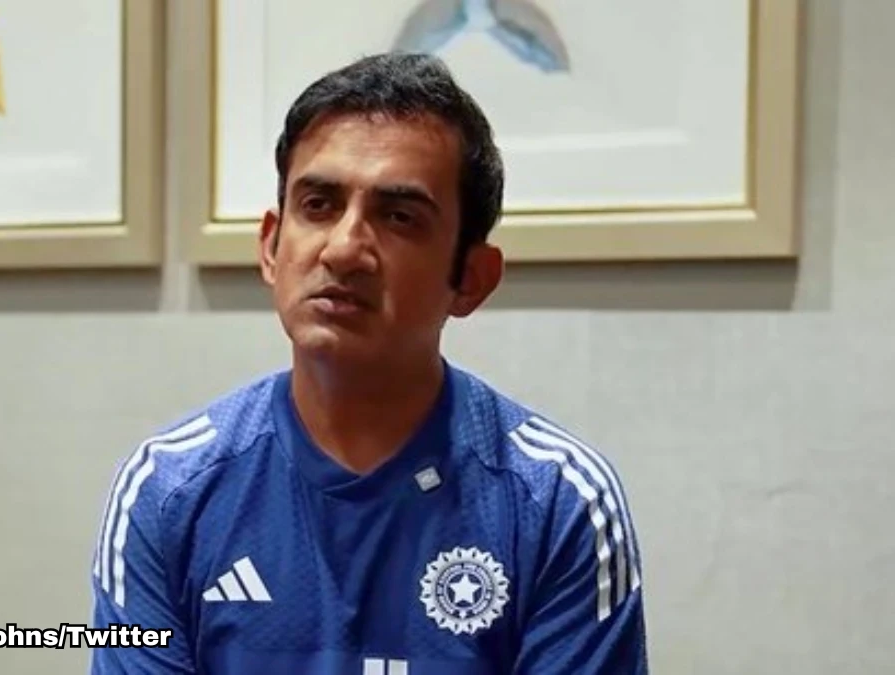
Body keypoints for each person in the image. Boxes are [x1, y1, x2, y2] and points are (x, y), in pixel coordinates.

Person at [89, 52, 648, 674]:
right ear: (271, 247)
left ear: (471, 278)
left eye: (399, 217)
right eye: (318, 205)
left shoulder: (556, 502)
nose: (345, 248)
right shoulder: (169, 489)